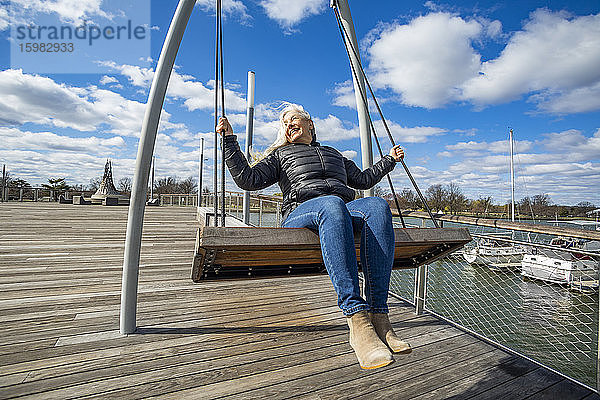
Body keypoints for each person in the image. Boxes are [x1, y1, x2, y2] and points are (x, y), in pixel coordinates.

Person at [217, 103, 410, 370]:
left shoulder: (333, 154)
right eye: (284, 122)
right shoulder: (281, 155)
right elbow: (248, 179)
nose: (288, 124)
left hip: (340, 208)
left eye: (293, 118)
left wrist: (389, 160)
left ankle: (379, 316)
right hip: (301, 212)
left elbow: (364, 180)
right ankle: (357, 320)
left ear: (310, 124)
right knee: (331, 203)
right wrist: (229, 141)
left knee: (377, 206)